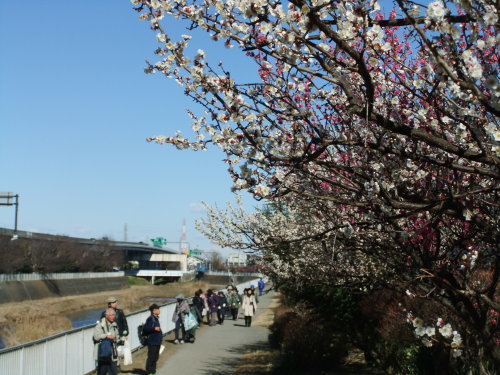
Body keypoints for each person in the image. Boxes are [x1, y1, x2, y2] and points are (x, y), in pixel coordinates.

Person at [93, 308, 121, 375]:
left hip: (112, 355)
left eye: (114, 315)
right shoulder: (100, 326)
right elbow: (96, 337)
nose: (113, 317)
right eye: (111, 315)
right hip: (103, 355)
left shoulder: (114, 325)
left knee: (114, 372)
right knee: (102, 373)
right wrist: (106, 336)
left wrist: (119, 339)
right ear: (106, 316)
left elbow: (117, 337)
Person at [143, 303, 163, 375]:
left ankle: (153, 371)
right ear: (153, 311)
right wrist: (154, 328)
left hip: (157, 341)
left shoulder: (156, 318)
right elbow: (145, 329)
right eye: (158, 309)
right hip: (152, 342)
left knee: (155, 357)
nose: (159, 310)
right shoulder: (150, 319)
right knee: (151, 357)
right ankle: (149, 372)